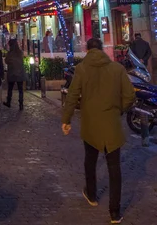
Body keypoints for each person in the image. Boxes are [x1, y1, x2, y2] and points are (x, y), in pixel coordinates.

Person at [62, 37, 135, 225]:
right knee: (114, 167)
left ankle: (92, 195)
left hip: (90, 122)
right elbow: (129, 96)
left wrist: (66, 119)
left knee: (90, 159)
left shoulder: (81, 69)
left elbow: (72, 95)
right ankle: (114, 212)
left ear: (87, 51)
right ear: (102, 50)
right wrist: (118, 110)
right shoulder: (117, 69)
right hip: (111, 123)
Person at [3, 38, 25, 110]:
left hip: (12, 73)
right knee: (20, 89)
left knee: (10, 89)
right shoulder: (20, 53)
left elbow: (6, 61)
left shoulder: (9, 53)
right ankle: (21, 104)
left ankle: (9, 102)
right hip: (20, 73)